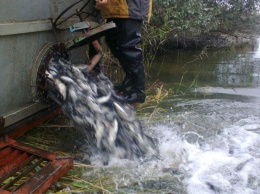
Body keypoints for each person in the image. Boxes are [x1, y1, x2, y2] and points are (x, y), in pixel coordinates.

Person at [95, 0, 152, 104]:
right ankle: (130, 79)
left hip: (131, 7)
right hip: (115, 8)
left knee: (129, 46)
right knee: (113, 41)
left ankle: (138, 92)